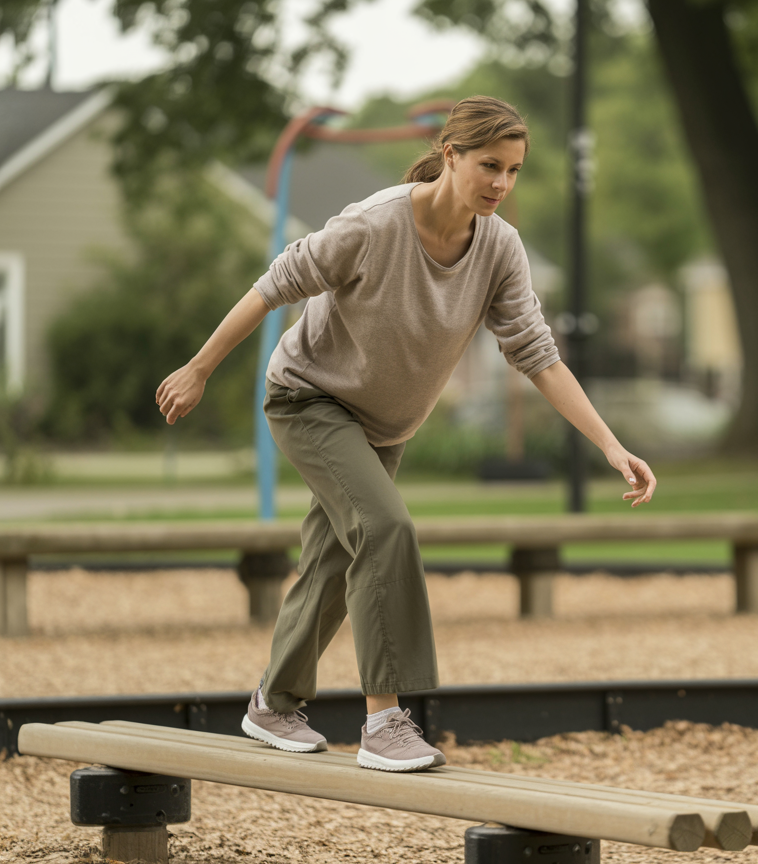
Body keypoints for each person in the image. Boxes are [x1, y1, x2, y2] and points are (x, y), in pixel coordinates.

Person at [155, 95, 657, 773]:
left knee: (336, 561)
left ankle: (272, 703)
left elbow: (535, 352)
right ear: (451, 156)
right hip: (309, 399)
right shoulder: (373, 223)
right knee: (387, 530)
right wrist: (198, 367)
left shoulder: (500, 248)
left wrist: (609, 443)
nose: (501, 184)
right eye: (489, 165)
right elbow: (272, 287)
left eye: (513, 171)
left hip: (384, 427)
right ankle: (384, 720)